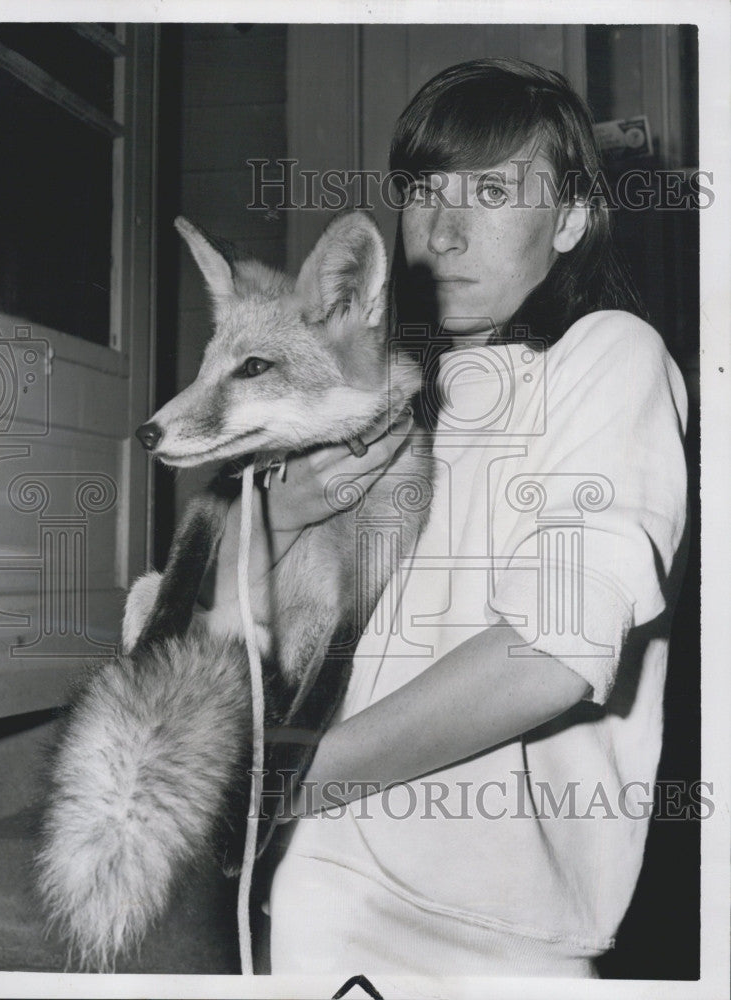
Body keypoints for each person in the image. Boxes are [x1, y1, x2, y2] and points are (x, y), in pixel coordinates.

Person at [211, 58, 689, 987]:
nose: (444, 227)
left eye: (494, 190)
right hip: (303, 895)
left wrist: (291, 780)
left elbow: (554, 650)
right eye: (425, 189)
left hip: (485, 939)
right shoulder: (369, 402)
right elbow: (225, 646)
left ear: (572, 219)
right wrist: (265, 526)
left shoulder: (605, 360)